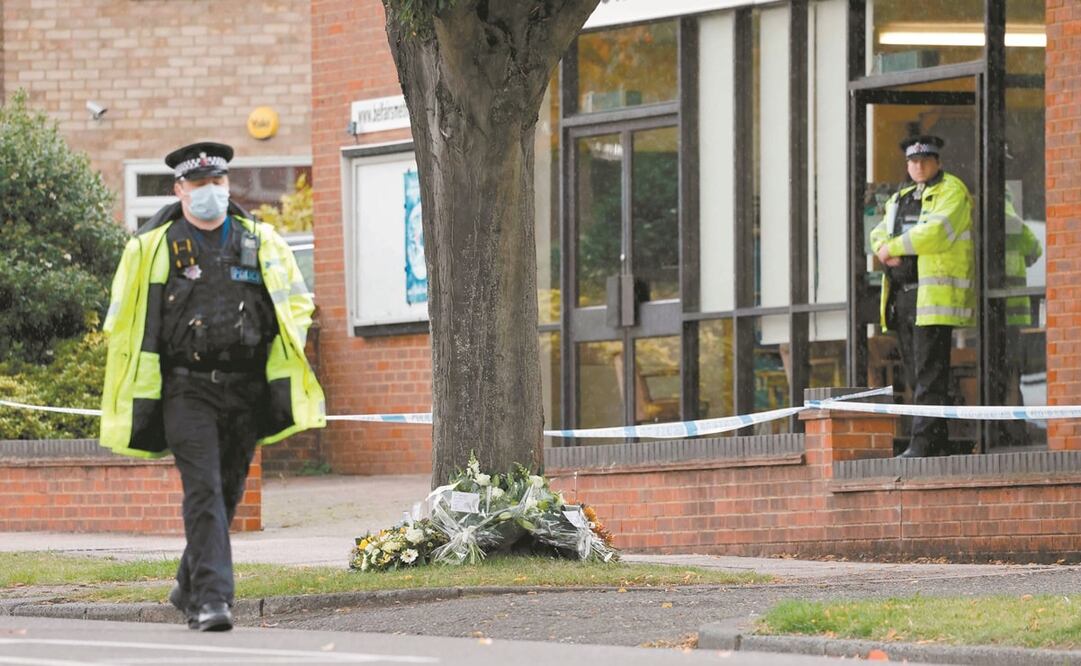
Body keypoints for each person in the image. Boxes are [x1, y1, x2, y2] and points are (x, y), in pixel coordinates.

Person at [99, 142, 325, 630]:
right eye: (199, 184)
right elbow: (125, 324)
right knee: (202, 489)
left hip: (245, 389)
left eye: (217, 183)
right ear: (180, 190)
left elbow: (296, 306)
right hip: (187, 388)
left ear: (227, 186)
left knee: (226, 491)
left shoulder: (259, 240)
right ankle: (212, 601)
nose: (210, 192)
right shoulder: (152, 246)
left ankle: (187, 582)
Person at [870, 135, 976, 458]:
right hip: (903, 297)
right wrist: (882, 248)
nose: (919, 166)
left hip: (933, 297)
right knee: (917, 375)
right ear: (907, 165)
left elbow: (937, 233)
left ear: (937, 162)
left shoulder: (952, 191)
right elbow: (878, 232)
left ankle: (923, 444)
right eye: (913, 162)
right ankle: (936, 441)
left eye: (925, 160)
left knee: (930, 375)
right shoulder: (901, 198)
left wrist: (895, 247)